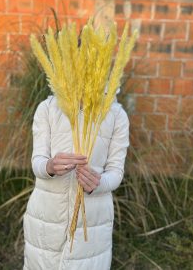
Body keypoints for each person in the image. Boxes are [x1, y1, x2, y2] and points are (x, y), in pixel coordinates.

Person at [23, 89, 130, 270]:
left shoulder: (116, 115)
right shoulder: (47, 108)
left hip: (92, 221)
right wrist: (49, 166)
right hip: (46, 216)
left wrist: (99, 183)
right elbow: (37, 162)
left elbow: (116, 171)